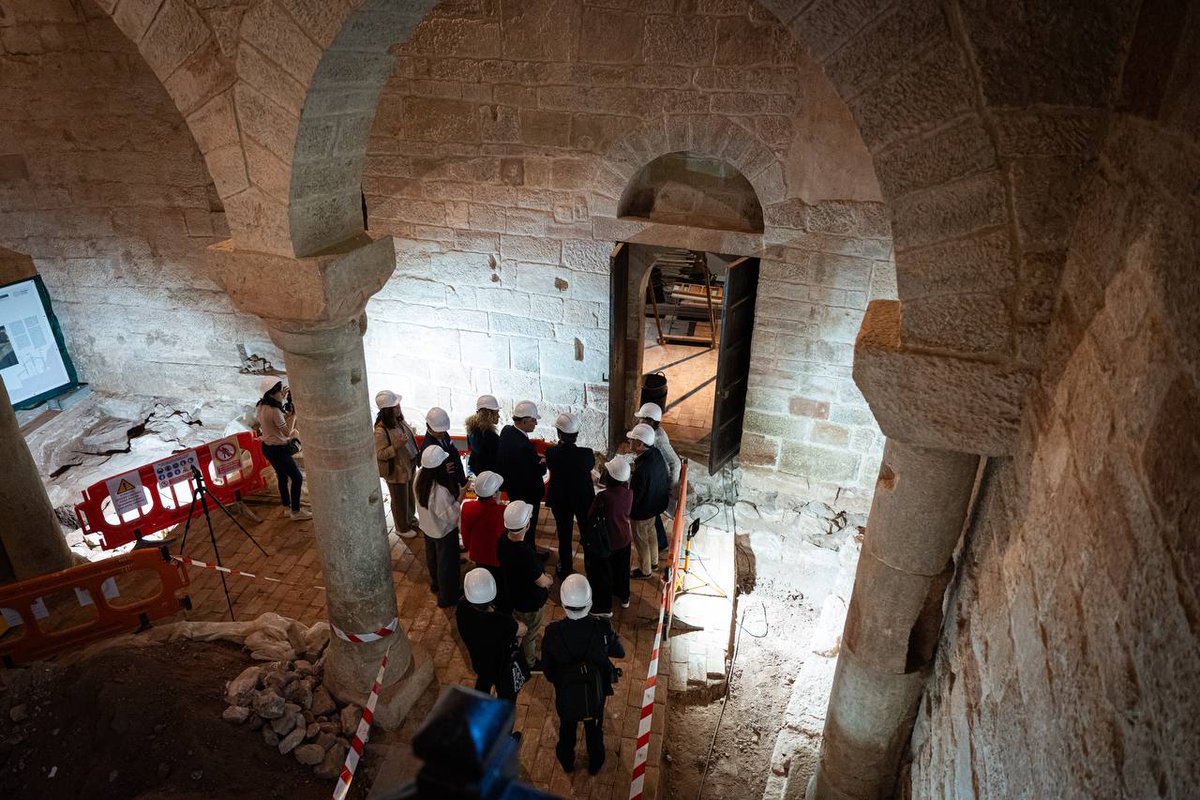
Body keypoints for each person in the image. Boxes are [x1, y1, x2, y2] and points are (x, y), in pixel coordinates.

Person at [541, 575, 625, 775]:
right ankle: (595, 763)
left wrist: (562, 681)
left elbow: (548, 671)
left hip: (566, 692)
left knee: (567, 728)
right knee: (594, 729)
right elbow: (620, 652)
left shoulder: (552, 632)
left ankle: (567, 762)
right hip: (595, 691)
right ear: (589, 602)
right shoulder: (602, 628)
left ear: (563, 603)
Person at [497, 501, 552, 671]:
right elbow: (540, 581)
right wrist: (548, 580)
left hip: (514, 595)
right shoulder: (525, 553)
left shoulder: (502, 540)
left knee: (520, 625)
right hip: (529, 602)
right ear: (526, 525)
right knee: (529, 633)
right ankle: (529, 662)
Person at [456, 568, 525, 701]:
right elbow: (523, 629)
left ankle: (479, 707)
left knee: (483, 683)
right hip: (501, 666)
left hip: (479, 661)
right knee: (507, 698)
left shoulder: (461, 608)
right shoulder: (500, 621)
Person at [544, 412, 595, 579]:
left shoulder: (551, 453)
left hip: (561, 500)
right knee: (587, 534)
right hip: (582, 500)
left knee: (564, 536)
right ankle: (591, 567)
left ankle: (565, 568)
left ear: (559, 434)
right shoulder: (587, 454)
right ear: (577, 434)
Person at [416, 445, 466, 608]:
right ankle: (448, 596)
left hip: (428, 527)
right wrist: (460, 498)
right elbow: (450, 517)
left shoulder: (419, 477)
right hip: (443, 532)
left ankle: (436, 583)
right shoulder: (440, 490)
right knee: (447, 564)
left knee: (432, 557)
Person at [255, 376, 311, 521]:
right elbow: (288, 432)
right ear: (272, 393)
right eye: (280, 391)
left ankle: (287, 507)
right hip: (280, 449)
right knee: (297, 478)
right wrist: (294, 415)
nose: (282, 393)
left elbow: (274, 424)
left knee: (281, 476)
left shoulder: (261, 405)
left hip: (267, 447)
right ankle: (296, 512)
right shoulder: (274, 411)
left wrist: (283, 401)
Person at [586, 457, 633, 614]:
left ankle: (604, 607)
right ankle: (624, 597)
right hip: (624, 539)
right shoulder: (629, 493)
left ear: (610, 478)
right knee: (622, 570)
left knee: (604, 574)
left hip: (608, 541)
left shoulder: (603, 497)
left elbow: (592, 514)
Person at [497, 400, 547, 547]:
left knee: (517, 521)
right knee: (528, 525)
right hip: (528, 492)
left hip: (513, 488)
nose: (536, 424)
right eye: (533, 420)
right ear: (524, 421)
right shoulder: (523, 446)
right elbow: (534, 471)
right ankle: (529, 550)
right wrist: (543, 464)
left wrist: (532, 458)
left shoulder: (506, 431)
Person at [374, 390, 420, 539]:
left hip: (408, 466)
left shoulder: (398, 419)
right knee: (400, 500)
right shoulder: (381, 431)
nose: (399, 406)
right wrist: (396, 446)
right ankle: (402, 527)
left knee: (409, 497)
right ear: (388, 410)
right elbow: (379, 454)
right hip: (397, 472)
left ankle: (410, 519)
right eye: (396, 405)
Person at [460, 471, 509, 611]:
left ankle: (484, 604)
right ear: (495, 492)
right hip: (498, 557)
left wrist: (470, 547)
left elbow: (465, 535)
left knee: (482, 580)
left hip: (478, 555)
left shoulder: (468, 507)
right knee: (501, 584)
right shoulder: (503, 511)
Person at [635, 402, 680, 552]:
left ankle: (660, 544)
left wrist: (670, 488)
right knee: (653, 514)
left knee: (651, 511)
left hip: (658, 480)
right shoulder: (652, 432)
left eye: (641, 419)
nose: (638, 421)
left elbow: (675, 462)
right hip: (656, 477)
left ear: (649, 420)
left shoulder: (658, 437)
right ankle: (661, 543)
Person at [627, 423, 669, 579]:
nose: (630, 442)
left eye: (632, 440)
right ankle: (654, 562)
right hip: (654, 506)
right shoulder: (656, 453)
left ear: (639, 444)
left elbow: (636, 496)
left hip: (642, 511)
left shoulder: (642, 470)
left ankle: (645, 571)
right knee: (651, 533)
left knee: (641, 540)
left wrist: (628, 509)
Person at [424, 407, 467, 488]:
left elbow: (455, 456)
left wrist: (462, 481)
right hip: (443, 487)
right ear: (428, 426)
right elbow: (427, 475)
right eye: (439, 432)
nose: (442, 434)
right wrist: (441, 471)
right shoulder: (428, 448)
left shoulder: (444, 434)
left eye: (444, 431)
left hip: (454, 482)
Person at [466, 394, 502, 476]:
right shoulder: (490, 437)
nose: (499, 416)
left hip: (477, 470)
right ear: (489, 414)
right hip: (489, 476)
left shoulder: (471, 430)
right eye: (496, 413)